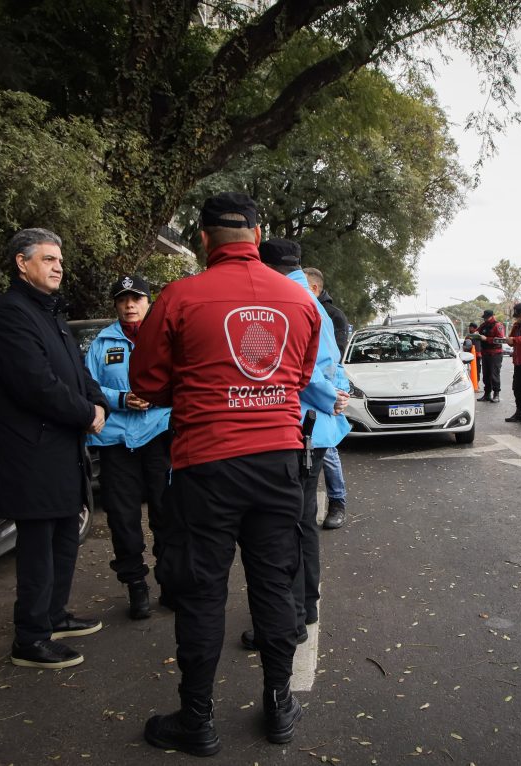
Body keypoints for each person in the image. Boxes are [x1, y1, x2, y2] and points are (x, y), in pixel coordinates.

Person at [128, 193, 323, 757]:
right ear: (257, 236)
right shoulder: (300, 300)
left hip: (206, 464)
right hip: (278, 461)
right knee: (274, 585)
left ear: (203, 238)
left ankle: (197, 719)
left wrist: (196, 387)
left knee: (201, 592)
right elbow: (299, 376)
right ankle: (279, 706)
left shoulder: (180, 296)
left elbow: (146, 382)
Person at [0, 227, 108, 670]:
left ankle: (54, 615)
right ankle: (31, 638)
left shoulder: (49, 312)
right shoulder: (9, 315)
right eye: (49, 259)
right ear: (22, 262)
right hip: (30, 455)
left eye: (60, 261)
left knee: (64, 538)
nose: (58, 267)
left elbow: (78, 371)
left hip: (61, 450)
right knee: (38, 549)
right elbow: (37, 385)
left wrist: (99, 402)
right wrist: (86, 414)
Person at [250, 242, 349, 652]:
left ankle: (290, 618)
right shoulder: (311, 301)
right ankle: (304, 607)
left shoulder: (286, 301)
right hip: (316, 429)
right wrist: (337, 394)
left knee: (288, 525)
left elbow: (300, 370)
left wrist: (330, 396)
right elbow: (332, 363)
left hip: (300, 428)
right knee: (302, 521)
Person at [85, 275, 172, 620]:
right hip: (116, 442)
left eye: (136, 298)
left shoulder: (165, 338)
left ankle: (170, 582)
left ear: (149, 302)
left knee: (167, 513)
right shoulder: (101, 344)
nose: (129, 305)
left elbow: (182, 380)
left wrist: (155, 397)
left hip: (158, 436)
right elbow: (88, 387)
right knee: (123, 519)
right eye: (122, 299)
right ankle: (136, 584)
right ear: (116, 305)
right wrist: (122, 398)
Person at [302, 266, 349, 530]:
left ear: (314, 288)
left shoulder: (332, 316)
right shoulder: (300, 308)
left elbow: (334, 361)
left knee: (328, 452)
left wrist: (335, 395)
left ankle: (337, 503)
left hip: (327, 396)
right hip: (312, 397)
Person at [477, 309, 505, 403]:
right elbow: (477, 332)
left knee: (494, 375)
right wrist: (474, 335)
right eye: (484, 318)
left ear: (492, 316)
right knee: (486, 375)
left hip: (495, 354)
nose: (485, 319)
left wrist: (487, 339)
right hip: (485, 353)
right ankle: (487, 394)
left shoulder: (498, 325)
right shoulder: (483, 325)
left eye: (487, 317)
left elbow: (501, 340)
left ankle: (496, 394)